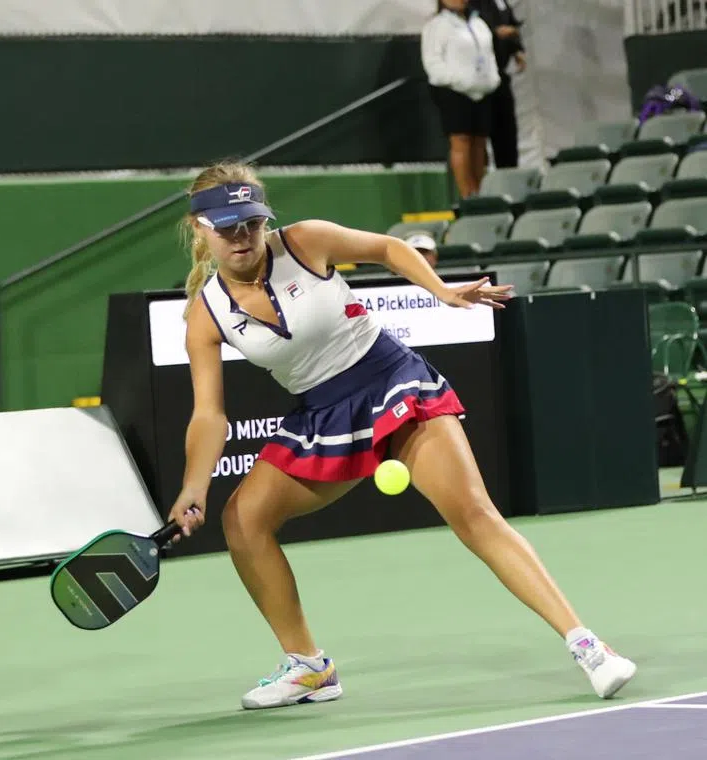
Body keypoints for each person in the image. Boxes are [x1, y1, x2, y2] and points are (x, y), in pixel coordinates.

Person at [167, 161, 638, 711]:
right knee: (243, 521)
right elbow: (209, 416)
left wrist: (440, 290)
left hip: (392, 381)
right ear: (199, 227)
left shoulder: (304, 241)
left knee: (474, 515)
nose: (242, 236)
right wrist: (193, 487)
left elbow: (389, 249)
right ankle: (309, 667)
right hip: (321, 413)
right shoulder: (206, 315)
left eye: (250, 222)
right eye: (227, 226)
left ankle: (589, 646)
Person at [421, 0, 501, 198]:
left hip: (482, 91)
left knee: (479, 142)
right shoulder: (437, 26)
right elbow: (433, 63)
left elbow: (489, 55)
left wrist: (492, 79)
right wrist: (458, 80)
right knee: (461, 140)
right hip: (454, 92)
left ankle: (481, 194)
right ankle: (467, 195)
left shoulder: (478, 23)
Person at [470, 0, 526, 169]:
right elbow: (469, 28)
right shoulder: (469, 3)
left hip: (498, 75)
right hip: (475, 77)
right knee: (477, 138)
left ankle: (509, 175)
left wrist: (516, 48)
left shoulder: (500, 1)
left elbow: (510, 21)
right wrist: (495, 33)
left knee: (506, 133)